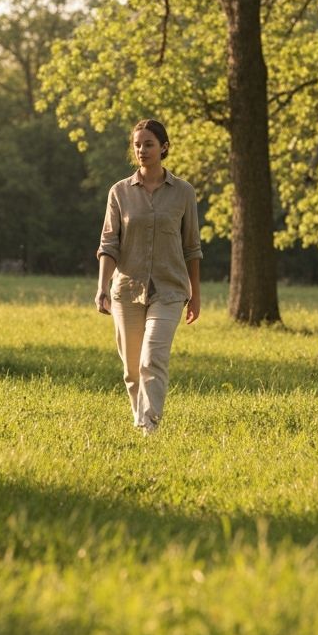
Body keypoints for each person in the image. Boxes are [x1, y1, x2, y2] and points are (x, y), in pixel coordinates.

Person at [95, 119, 202, 435]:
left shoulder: (183, 192)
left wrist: (195, 295)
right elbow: (108, 244)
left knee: (152, 359)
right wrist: (102, 287)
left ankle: (148, 425)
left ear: (164, 147)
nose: (141, 150)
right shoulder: (119, 192)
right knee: (132, 370)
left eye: (149, 144)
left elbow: (192, 247)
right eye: (137, 144)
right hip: (127, 289)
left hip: (170, 290)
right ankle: (140, 417)